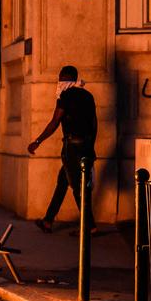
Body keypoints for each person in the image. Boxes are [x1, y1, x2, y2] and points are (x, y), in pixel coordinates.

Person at [27, 65, 98, 235]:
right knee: (63, 182)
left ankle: (90, 226)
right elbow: (94, 124)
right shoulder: (88, 95)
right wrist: (90, 146)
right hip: (85, 146)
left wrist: (37, 141)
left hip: (72, 147)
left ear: (66, 79)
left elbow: (55, 122)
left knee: (77, 187)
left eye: (61, 78)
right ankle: (48, 221)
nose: (59, 82)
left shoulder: (64, 96)